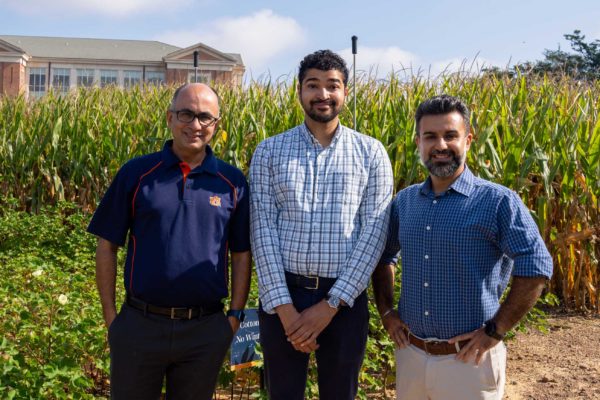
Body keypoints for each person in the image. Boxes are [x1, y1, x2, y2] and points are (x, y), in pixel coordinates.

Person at [372, 94, 553, 399]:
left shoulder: (497, 201)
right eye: (430, 136)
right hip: (411, 355)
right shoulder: (404, 202)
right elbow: (384, 255)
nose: (440, 145)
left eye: (450, 135)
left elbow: (536, 266)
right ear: (418, 142)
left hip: (469, 361)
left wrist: (495, 330)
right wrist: (387, 311)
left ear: (468, 140)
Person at [88, 83, 251, 400]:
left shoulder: (232, 183)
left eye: (205, 117)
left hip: (204, 330)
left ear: (216, 125)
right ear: (169, 118)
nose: (195, 125)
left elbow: (241, 254)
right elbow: (107, 245)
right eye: (186, 114)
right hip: (140, 325)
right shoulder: (137, 174)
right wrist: (112, 319)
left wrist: (233, 318)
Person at [249, 49, 394, 400]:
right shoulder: (269, 152)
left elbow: (374, 233)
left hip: (344, 302)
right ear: (299, 91)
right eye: (313, 85)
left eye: (333, 85)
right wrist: (284, 309)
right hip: (282, 296)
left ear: (345, 92)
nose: (323, 94)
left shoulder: (371, 153)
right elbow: (262, 228)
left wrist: (331, 304)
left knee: (339, 394)